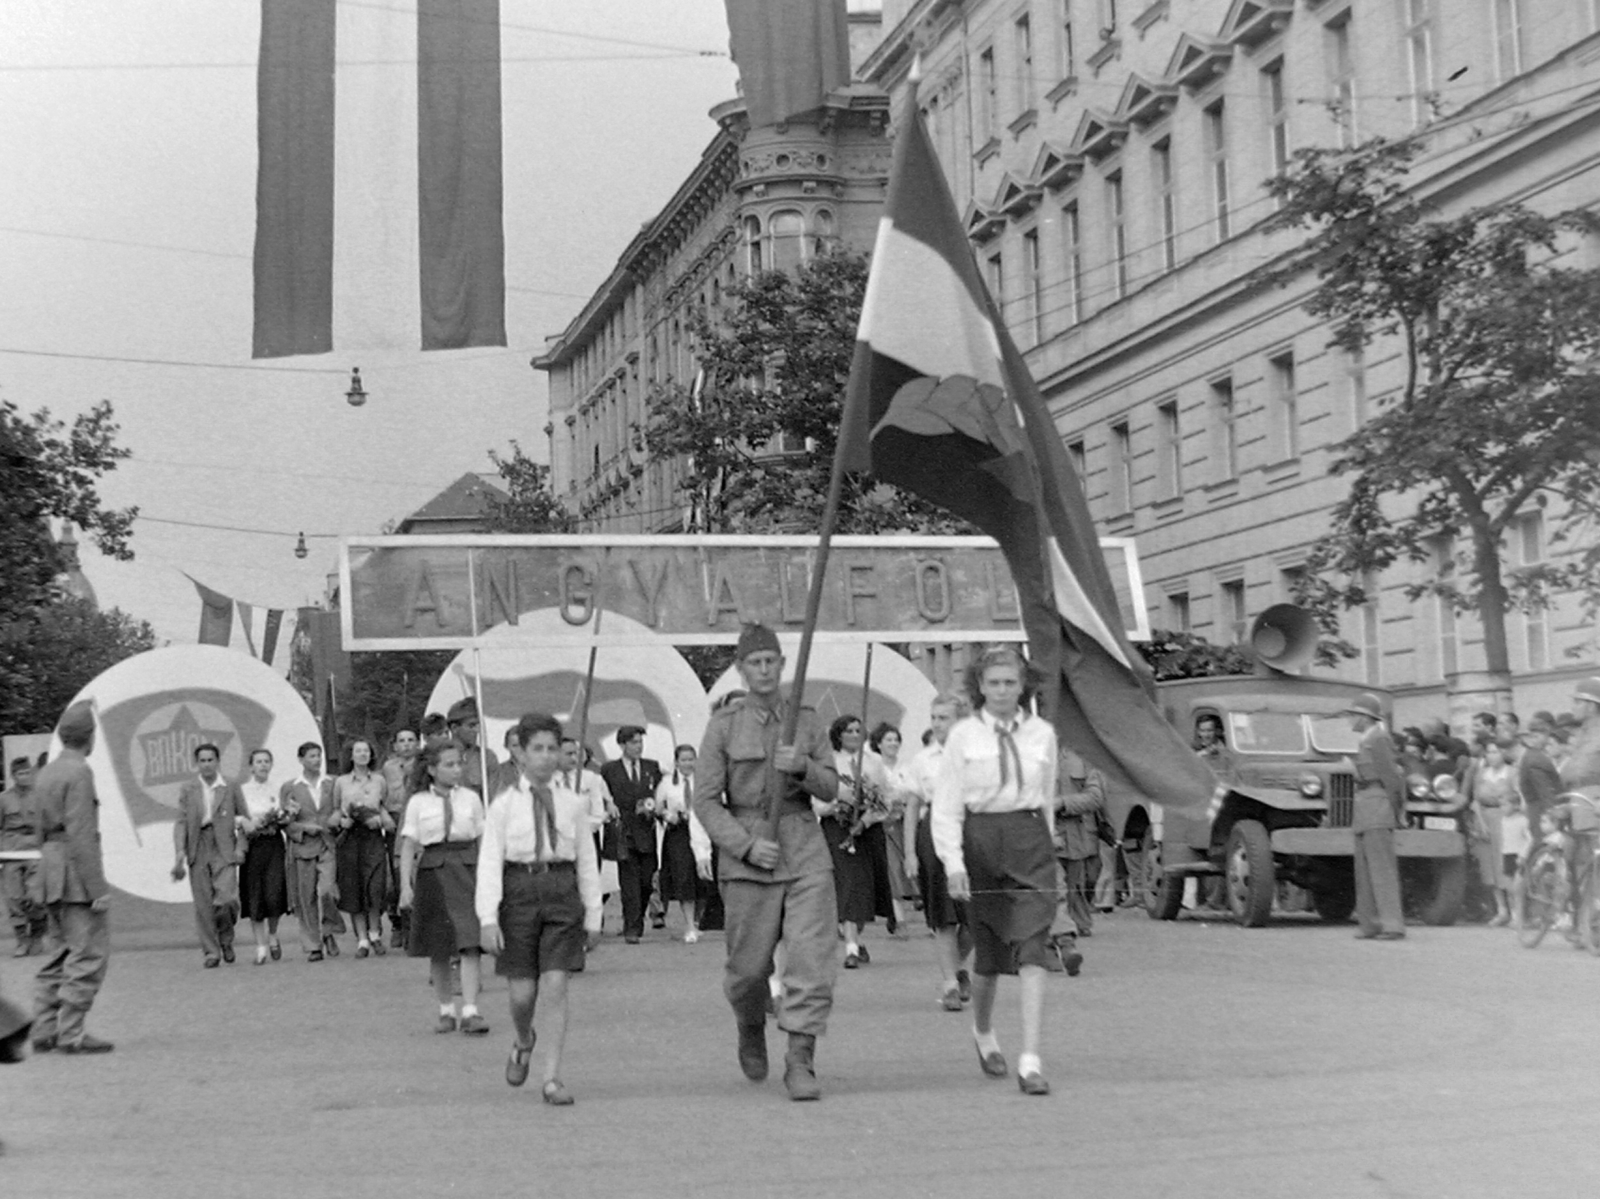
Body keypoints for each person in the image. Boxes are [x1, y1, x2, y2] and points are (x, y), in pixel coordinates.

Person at [693, 623, 839, 1101]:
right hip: (750, 856)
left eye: (770, 661)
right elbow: (707, 801)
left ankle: (801, 1059)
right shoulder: (723, 726)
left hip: (804, 848)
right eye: (754, 662)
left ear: (781, 664)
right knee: (748, 972)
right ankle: (750, 1023)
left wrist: (803, 768)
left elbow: (832, 788)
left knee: (810, 960)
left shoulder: (808, 721)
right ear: (740, 668)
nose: (763, 670)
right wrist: (745, 845)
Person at [932, 646, 1059, 1097]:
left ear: (1023, 685)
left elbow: (1046, 796)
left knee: (1032, 950)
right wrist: (954, 863)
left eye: (1010, 682)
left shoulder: (1043, 733)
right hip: (981, 842)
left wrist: (1047, 846)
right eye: (994, 683)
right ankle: (984, 1033)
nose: (1003, 690)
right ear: (980, 687)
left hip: (1030, 842)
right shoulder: (963, 736)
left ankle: (1030, 1059)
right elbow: (945, 806)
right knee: (987, 960)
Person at [478, 713, 602, 1106]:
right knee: (521, 994)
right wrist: (487, 918)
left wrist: (594, 915)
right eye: (538, 749)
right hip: (518, 892)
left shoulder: (574, 803)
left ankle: (552, 1077)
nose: (546, 757)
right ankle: (523, 1039)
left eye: (553, 749)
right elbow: (489, 864)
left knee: (555, 984)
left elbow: (586, 860)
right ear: (521, 752)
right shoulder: (502, 805)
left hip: (561, 892)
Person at [32, 701, 113, 1054]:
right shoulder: (80, 772)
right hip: (75, 875)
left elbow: (38, 831)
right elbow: (81, 834)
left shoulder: (47, 771)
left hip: (50, 869)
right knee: (87, 954)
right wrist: (97, 888)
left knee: (56, 952)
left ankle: (44, 1029)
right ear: (89, 737)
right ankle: (72, 1032)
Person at [399, 743, 489, 1035]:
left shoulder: (471, 799)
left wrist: (489, 880)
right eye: (449, 764)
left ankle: (471, 1009)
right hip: (433, 871)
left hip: (466, 868)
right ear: (431, 769)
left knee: (470, 940)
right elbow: (410, 845)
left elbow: (483, 839)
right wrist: (405, 887)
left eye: (459, 763)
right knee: (438, 945)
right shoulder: (418, 802)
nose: (456, 770)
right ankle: (446, 1009)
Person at [903, 692, 975, 1012]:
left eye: (943, 717)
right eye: (933, 717)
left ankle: (957, 966)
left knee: (975, 914)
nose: (936, 724)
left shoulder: (978, 754)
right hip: (933, 831)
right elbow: (913, 805)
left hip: (972, 829)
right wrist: (910, 852)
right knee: (943, 914)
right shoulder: (924, 759)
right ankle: (949, 983)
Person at [820, 715, 894, 968]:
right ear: (838, 734)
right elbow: (817, 798)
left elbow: (885, 797)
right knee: (848, 882)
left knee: (864, 886)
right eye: (848, 731)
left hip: (867, 829)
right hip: (838, 828)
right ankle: (850, 948)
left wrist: (866, 818)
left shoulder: (873, 762)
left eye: (858, 730)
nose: (854, 735)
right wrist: (836, 808)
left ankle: (855, 935)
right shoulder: (828, 762)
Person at [170, 743, 248, 968]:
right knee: (204, 904)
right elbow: (181, 822)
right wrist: (180, 852)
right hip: (198, 844)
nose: (206, 764)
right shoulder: (189, 789)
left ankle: (226, 937)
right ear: (197, 763)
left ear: (218, 761)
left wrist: (240, 848)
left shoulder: (230, 786)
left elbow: (243, 818)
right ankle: (211, 952)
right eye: (202, 760)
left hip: (224, 845)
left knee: (227, 899)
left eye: (210, 760)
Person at [1343, 693, 1406, 941]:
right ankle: (1369, 923)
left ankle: (1392, 925)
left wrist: (1397, 810)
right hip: (1366, 807)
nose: (1350, 719)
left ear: (1364, 717)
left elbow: (1391, 778)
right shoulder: (1368, 739)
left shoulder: (1378, 739)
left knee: (1381, 870)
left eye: (1353, 715)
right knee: (1365, 871)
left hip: (1377, 805)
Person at [599, 726, 662, 944]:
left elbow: (660, 796)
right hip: (623, 832)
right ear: (622, 744)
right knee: (629, 883)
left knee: (646, 881)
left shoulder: (651, 767)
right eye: (633, 742)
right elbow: (604, 798)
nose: (638, 746)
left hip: (646, 830)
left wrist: (654, 810)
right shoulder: (610, 770)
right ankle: (631, 927)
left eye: (640, 742)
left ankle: (639, 916)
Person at [332, 739, 393, 959]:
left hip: (373, 837)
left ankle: (375, 934)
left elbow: (383, 804)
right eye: (358, 751)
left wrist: (380, 819)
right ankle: (362, 940)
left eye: (366, 751)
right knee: (354, 888)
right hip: (350, 839)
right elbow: (336, 809)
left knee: (375, 887)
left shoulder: (379, 780)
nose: (362, 755)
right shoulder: (340, 782)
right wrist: (342, 822)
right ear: (351, 755)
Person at [281, 742, 342, 961]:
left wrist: (337, 819)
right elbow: (285, 822)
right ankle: (313, 945)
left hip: (327, 843)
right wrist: (303, 828)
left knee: (327, 891)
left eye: (318, 755)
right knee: (305, 897)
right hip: (303, 846)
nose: (316, 760)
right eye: (311, 756)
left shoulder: (332, 783)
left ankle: (328, 930)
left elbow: (339, 808)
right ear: (301, 760)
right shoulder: (291, 787)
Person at [1048, 748, 1105, 977]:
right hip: (1043, 836)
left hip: (1076, 840)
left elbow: (1096, 796)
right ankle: (1065, 943)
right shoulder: (1033, 752)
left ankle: (1051, 946)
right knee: (1054, 890)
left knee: (1072, 891)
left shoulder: (1084, 755)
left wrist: (1062, 803)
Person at [237, 748, 290, 964]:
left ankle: (273, 934)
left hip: (274, 844)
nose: (263, 765)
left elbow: (285, 815)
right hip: (252, 846)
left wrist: (282, 818)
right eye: (258, 761)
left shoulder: (278, 788)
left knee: (274, 893)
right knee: (255, 895)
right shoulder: (242, 790)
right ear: (251, 766)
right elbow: (235, 815)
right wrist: (244, 822)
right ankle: (260, 947)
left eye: (266, 761)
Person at [653, 745, 705, 942]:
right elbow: (658, 807)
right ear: (676, 762)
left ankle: (698, 922)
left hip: (701, 830)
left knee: (701, 876)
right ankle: (689, 924)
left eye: (691, 759)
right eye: (683, 760)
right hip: (679, 833)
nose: (688, 763)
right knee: (684, 877)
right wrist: (669, 816)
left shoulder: (703, 781)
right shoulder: (667, 783)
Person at [869, 724, 917, 931]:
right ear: (878, 744)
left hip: (905, 821)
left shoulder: (907, 767)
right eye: (888, 740)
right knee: (892, 869)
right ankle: (898, 916)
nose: (893, 743)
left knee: (911, 864)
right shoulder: (874, 767)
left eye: (896, 739)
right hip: (883, 824)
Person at [1466, 738, 1518, 926]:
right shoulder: (1481, 773)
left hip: (1505, 820)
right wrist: (1481, 823)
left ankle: (1516, 912)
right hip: (1485, 820)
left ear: (1503, 754)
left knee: (1506, 865)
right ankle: (1501, 909)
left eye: (1495, 751)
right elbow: (1476, 800)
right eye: (1488, 752)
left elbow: (1518, 797)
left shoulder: (1512, 773)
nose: (1491, 756)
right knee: (1490, 868)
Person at [1, 757, 45, 956]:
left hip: (36, 851)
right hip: (11, 852)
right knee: (14, 898)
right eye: (20, 774)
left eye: (27, 773)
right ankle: (21, 940)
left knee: (36, 897)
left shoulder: (41, 796)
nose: (24, 777)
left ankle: (37, 935)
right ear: (13, 776)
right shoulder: (4, 799)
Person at [380, 728, 419, 950]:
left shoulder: (423, 764)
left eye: (410, 740)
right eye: (401, 741)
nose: (406, 745)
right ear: (395, 745)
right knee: (396, 877)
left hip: (416, 820)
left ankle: (414, 930)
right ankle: (399, 925)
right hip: (395, 822)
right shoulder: (388, 768)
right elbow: (382, 796)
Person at [1517, 714, 1563, 857]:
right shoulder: (1537, 759)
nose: (1549, 739)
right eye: (1546, 735)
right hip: (1542, 811)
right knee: (1545, 851)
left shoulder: (1531, 756)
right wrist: (1553, 814)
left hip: (1536, 810)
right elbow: (1545, 791)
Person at [449, 697, 499, 797]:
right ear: (454, 728)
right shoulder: (436, 757)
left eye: (477, 726)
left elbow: (493, 799)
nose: (476, 731)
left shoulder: (487, 758)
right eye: (471, 726)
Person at [1560, 678, 1600, 791]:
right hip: (1577, 798)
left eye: (1578, 703)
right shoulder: (1580, 735)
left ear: (1591, 706)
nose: (1572, 708)